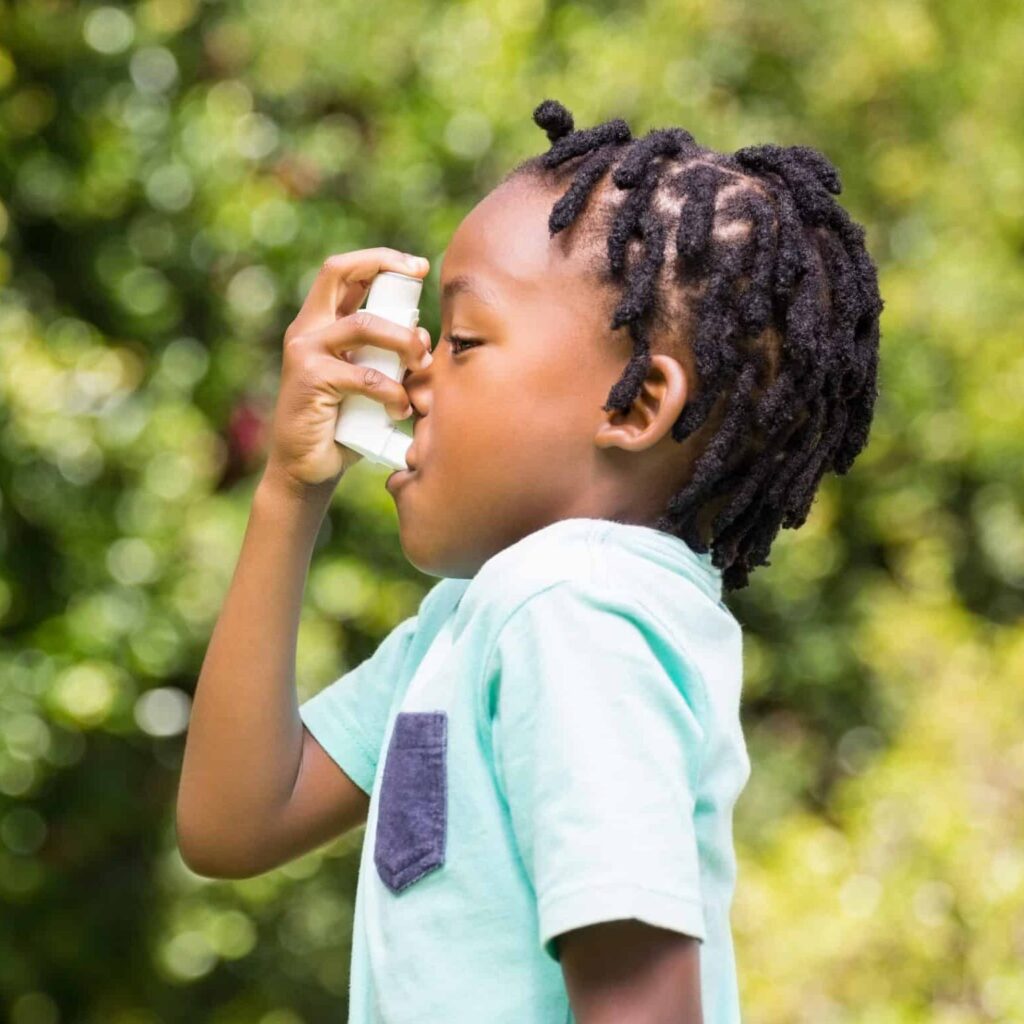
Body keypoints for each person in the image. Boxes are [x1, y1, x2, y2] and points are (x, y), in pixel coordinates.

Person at [176, 98, 884, 1023]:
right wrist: (289, 487)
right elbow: (235, 820)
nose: (417, 372)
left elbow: (643, 1005)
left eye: (464, 341)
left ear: (635, 407)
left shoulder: (572, 614)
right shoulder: (485, 621)